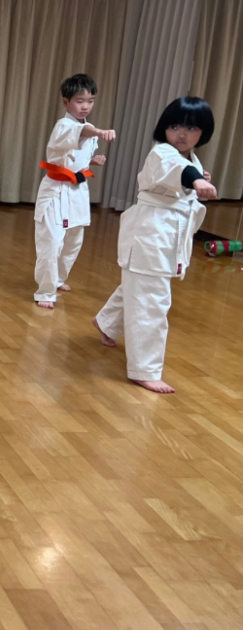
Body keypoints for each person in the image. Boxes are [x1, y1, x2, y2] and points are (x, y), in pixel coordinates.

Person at [93, 96, 217, 394]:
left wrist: (198, 177)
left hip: (165, 236)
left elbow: (184, 172)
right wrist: (196, 180)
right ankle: (145, 369)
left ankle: (106, 322)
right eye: (175, 126)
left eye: (191, 128)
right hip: (151, 234)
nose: (182, 134)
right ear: (164, 128)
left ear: (204, 132)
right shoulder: (162, 152)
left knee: (140, 286)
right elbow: (176, 170)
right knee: (152, 301)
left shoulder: (190, 158)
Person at [33, 73, 115, 308]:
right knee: (52, 242)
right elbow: (79, 133)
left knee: (73, 241)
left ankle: (58, 279)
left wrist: (91, 162)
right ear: (66, 102)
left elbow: (77, 156)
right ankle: (45, 291)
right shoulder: (65, 125)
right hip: (55, 191)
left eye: (90, 101)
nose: (85, 106)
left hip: (77, 191)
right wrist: (98, 131)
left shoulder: (86, 127)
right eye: (80, 101)